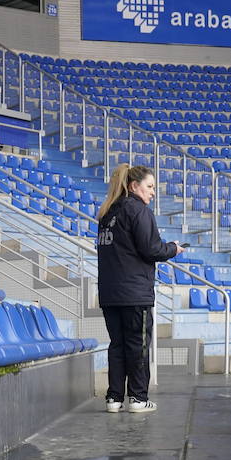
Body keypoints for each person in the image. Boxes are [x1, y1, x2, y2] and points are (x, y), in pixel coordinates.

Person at [96, 163, 186, 414]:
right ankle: (137, 398)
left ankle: (114, 398)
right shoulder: (139, 211)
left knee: (117, 345)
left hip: (110, 293)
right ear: (134, 186)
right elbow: (152, 250)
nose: (153, 192)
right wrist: (173, 249)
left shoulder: (106, 214)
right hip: (134, 293)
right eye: (150, 187)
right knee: (138, 345)